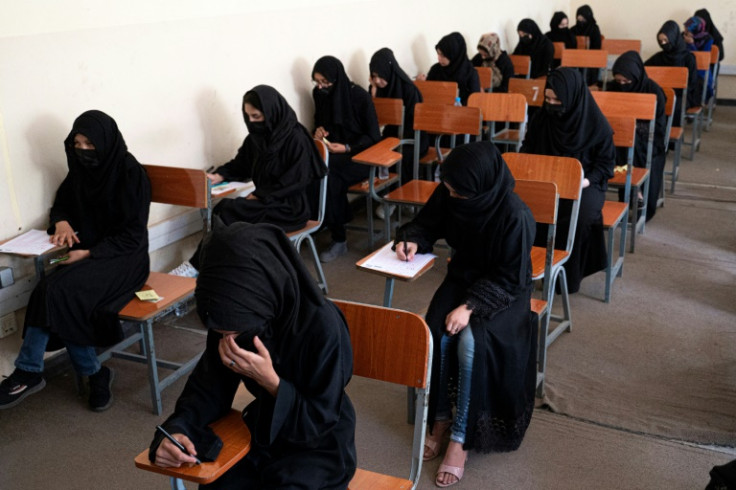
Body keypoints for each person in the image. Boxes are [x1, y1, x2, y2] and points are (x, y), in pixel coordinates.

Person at [150, 221, 357, 489]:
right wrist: (177, 432)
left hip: (320, 443)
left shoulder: (323, 327)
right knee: (217, 482)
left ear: (263, 295)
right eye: (221, 332)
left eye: (233, 331)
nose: (228, 340)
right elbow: (206, 391)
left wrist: (271, 382)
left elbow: (321, 417)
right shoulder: (232, 319)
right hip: (264, 429)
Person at [395, 142, 537, 488]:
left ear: (481, 187)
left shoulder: (514, 215)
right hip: (464, 277)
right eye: (449, 189)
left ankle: (460, 439)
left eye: (459, 192)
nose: (451, 195)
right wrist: (413, 239)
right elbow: (427, 223)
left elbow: (511, 278)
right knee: (439, 331)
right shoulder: (453, 191)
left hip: (503, 292)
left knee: (472, 341)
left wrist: (470, 307)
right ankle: (441, 418)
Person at [0, 110, 151, 411]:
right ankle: (90, 373)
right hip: (90, 251)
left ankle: (31, 372)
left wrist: (90, 252)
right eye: (77, 143)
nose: (82, 150)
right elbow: (62, 204)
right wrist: (62, 222)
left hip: (125, 257)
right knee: (51, 290)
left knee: (59, 291)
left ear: (105, 142)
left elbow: (132, 236)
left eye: (89, 143)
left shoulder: (130, 174)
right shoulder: (80, 173)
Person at [170, 85, 326, 277]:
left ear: (271, 112)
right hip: (264, 203)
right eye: (248, 117)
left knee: (228, 211)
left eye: (256, 117)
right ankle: (211, 269)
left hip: (290, 208)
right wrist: (219, 175)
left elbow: (296, 180)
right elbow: (240, 164)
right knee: (225, 212)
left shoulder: (296, 138)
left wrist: (260, 195)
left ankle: (198, 267)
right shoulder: (257, 138)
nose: (251, 122)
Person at [521, 68, 615, 294]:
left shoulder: (595, 124)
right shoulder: (542, 118)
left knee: (578, 216)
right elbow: (527, 150)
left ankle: (565, 278)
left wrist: (583, 181)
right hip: (546, 180)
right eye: (548, 98)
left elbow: (605, 165)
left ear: (572, 98)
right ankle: (525, 268)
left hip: (585, 184)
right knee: (519, 209)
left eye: (557, 99)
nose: (552, 104)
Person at [312, 55, 381, 263]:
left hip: (361, 156)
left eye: (326, 82)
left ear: (337, 79)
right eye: (317, 82)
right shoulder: (320, 94)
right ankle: (321, 222)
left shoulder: (358, 96)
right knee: (312, 169)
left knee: (330, 176)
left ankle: (339, 238)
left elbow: (373, 136)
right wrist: (320, 131)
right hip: (334, 153)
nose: (321, 87)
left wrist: (347, 147)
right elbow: (320, 122)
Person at [609, 51, 667, 222]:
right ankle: (634, 192)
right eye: (619, 81)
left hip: (647, 138)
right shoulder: (613, 88)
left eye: (627, 82)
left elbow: (658, 127)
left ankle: (636, 191)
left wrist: (632, 129)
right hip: (619, 136)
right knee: (615, 143)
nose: (622, 85)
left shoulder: (653, 90)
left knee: (633, 146)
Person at [369, 47, 429, 186]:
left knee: (400, 156)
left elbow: (415, 122)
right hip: (391, 137)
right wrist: (373, 92)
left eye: (380, 75)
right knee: (372, 151)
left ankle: (400, 196)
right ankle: (384, 195)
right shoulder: (376, 89)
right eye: (373, 76)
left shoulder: (409, 90)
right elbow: (373, 116)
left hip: (413, 137)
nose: (377, 80)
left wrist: (396, 140)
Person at [645, 20, 698, 123]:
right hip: (661, 93)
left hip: (681, 95)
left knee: (674, 105)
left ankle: (670, 135)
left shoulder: (688, 58)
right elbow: (643, 69)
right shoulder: (659, 57)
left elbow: (692, 82)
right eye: (660, 41)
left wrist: (674, 91)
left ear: (674, 38)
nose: (663, 44)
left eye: (665, 40)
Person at [418, 32, 481, 105]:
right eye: (438, 54)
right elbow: (428, 97)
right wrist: (421, 85)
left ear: (453, 55)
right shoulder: (435, 70)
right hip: (436, 112)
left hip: (461, 114)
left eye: (443, 55)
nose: (439, 58)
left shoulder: (471, 74)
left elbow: (474, 102)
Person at [683, 16, 715, 100]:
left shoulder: (707, 39)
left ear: (696, 30)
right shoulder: (683, 36)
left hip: (701, 73)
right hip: (686, 69)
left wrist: (691, 45)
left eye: (688, 30)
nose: (685, 32)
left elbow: (702, 60)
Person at [572, 5, 603, 86]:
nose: (581, 21)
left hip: (591, 60)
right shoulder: (573, 29)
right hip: (575, 58)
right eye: (579, 19)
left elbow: (597, 48)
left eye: (583, 19)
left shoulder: (594, 29)